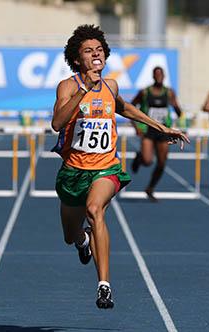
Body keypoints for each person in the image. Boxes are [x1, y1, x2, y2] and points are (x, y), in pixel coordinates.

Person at [52, 25, 189, 309]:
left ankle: (104, 286)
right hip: (74, 171)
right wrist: (84, 90)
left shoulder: (110, 86)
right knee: (70, 235)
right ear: (78, 59)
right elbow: (57, 123)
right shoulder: (67, 86)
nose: (96, 54)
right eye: (89, 51)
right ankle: (82, 241)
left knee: (94, 209)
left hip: (105, 167)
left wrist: (160, 127)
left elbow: (124, 107)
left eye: (99, 50)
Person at [130, 67, 183, 202]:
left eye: (161, 74)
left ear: (164, 76)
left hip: (163, 130)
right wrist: (136, 126)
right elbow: (130, 108)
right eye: (157, 74)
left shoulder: (169, 92)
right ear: (153, 76)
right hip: (148, 130)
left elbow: (178, 111)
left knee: (161, 163)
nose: (159, 77)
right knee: (148, 161)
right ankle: (140, 158)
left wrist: (176, 108)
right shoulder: (145, 92)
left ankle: (150, 188)